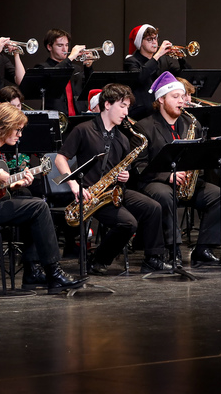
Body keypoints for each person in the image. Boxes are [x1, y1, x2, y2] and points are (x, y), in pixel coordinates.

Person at [0, 103, 84, 293]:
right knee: (38, 207)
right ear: (4, 125)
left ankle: (32, 271)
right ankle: (54, 272)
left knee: (29, 199)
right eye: (17, 129)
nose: (20, 135)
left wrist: (13, 184)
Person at [55, 83, 166, 275]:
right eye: (122, 106)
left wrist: (127, 175)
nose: (126, 112)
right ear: (107, 104)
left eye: (128, 107)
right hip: (91, 194)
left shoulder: (123, 138)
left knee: (153, 207)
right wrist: (74, 185)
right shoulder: (83, 129)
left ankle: (153, 258)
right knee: (128, 223)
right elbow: (60, 158)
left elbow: (125, 167)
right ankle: (98, 260)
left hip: (114, 191)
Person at [134, 72, 221, 267]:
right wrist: (167, 176)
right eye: (175, 97)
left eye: (182, 96)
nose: (182, 101)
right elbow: (139, 166)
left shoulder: (190, 122)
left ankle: (203, 248)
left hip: (186, 182)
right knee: (165, 195)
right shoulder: (144, 127)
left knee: (220, 195)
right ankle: (172, 249)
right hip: (155, 182)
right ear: (161, 99)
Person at [123, 24, 189, 119]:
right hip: (141, 111)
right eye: (149, 39)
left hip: (161, 110)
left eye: (155, 38)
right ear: (140, 43)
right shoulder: (131, 61)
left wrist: (181, 59)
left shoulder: (163, 60)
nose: (154, 42)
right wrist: (157, 55)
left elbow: (184, 77)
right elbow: (139, 77)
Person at [34, 29, 93, 115]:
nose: (64, 49)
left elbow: (89, 88)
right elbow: (54, 76)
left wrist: (88, 67)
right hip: (57, 118)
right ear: (49, 47)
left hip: (78, 118)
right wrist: (70, 58)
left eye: (66, 45)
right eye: (60, 45)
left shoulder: (76, 69)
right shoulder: (43, 67)